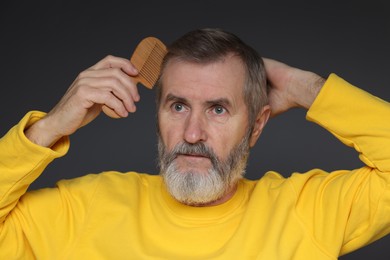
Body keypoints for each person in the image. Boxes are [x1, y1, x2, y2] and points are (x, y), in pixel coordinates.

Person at [0, 28, 389, 259]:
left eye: (218, 110)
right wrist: (48, 128)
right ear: (158, 115)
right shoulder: (85, 208)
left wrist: (308, 88)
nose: (192, 133)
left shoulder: (307, 211)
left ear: (256, 126)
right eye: (179, 105)